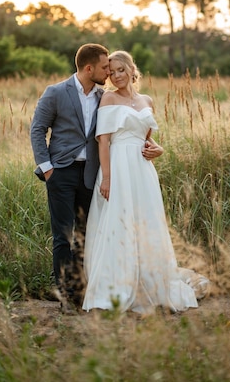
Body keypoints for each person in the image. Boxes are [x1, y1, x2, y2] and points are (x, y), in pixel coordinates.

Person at [82, 50, 210, 315]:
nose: (115, 76)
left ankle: (151, 284)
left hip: (142, 171)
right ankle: (117, 287)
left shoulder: (147, 100)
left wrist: (159, 149)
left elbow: (147, 139)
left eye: (120, 70)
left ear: (131, 69)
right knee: (119, 222)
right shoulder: (108, 98)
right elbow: (103, 141)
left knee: (146, 222)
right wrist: (107, 178)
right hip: (117, 167)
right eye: (111, 71)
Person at [30, 43, 110, 314]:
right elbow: (37, 130)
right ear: (89, 68)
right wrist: (47, 168)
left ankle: (81, 291)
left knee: (85, 235)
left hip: (90, 175)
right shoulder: (55, 92)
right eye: (104, 67)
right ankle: (65, 295)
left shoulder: (104, 96)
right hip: (61, 173)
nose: (108, 71)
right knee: (63, 235)